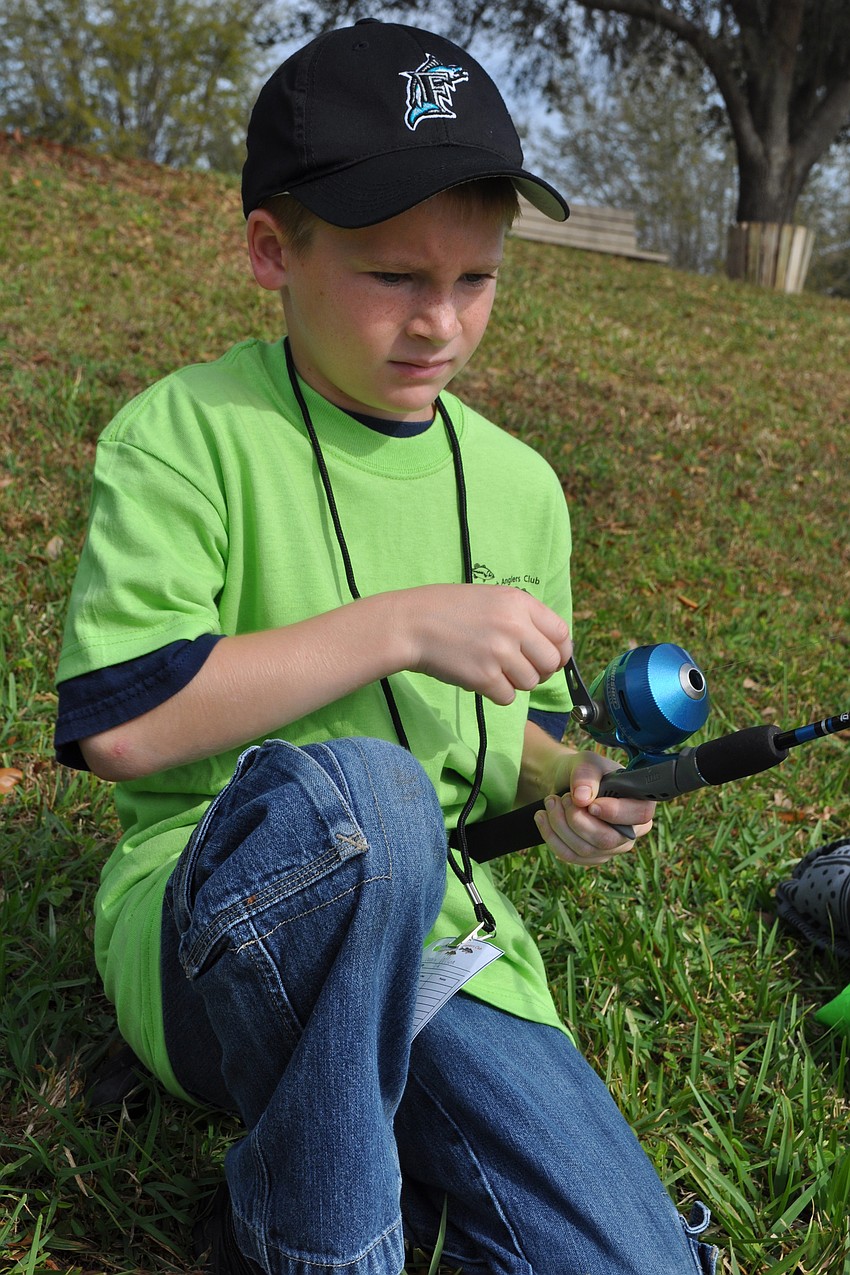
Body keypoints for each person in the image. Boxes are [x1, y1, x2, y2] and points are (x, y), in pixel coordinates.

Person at [56, 18, 717, 1275]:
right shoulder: (186, 435)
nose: (441, 326)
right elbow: (124, 725)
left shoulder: (521, 488)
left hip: (446, 945)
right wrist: (402, 624)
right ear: (272, 250)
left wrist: (564, 785)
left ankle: (300, 1195)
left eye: (475, 280)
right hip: (213, 922)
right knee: (370, 799)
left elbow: (497, 737)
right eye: (393, 277)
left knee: (637, 1263)